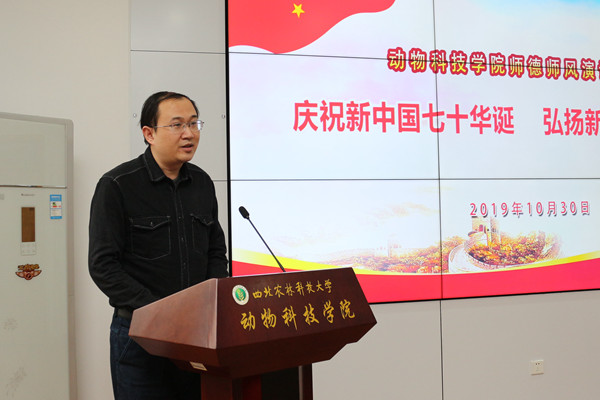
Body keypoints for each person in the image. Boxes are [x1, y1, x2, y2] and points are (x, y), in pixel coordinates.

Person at [88, 91, 228, 399]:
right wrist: (159, 311)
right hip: (140, 336)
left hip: (195, 334)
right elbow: (103, 265)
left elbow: (216, 251)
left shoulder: (202, 183)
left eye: (194, 123)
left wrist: (212, 303)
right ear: (149, 133)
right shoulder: (117, 185)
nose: (189, 133)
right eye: (177, 125)